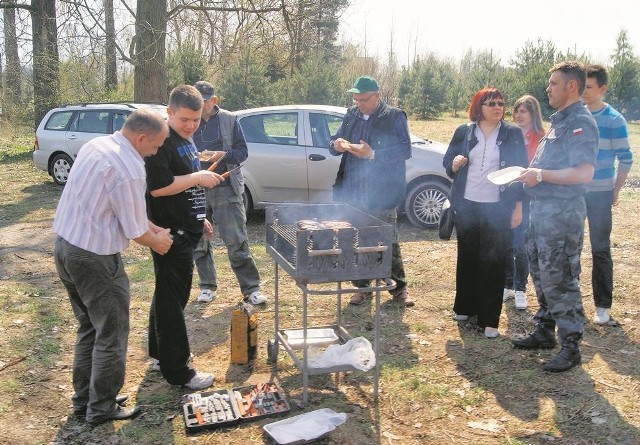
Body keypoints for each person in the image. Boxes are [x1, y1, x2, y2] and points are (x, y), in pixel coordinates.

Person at [53, 109, 173, 424]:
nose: (156, 151)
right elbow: (135, 231)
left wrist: (151, 227)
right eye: (156, 145)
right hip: (94, 258)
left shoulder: (98, 145)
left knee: (90, 327)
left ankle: (85, 400)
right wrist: (158, 241)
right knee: (112, 333)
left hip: (66, 247)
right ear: (141, 137)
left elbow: (123, 210)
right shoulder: (130, 167)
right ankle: (102, 408)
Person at [513, 61, 599, 372]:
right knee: (540, 269)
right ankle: (545, 330)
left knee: (560, 277)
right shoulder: (561, 121)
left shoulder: (581, 123)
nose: (548, 88)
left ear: (571, 87)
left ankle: (572, 345)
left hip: (562, 216)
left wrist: (541, 174)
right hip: (543, 213)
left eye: (553, 83)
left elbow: (583, 173)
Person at [145, 85, 225, 390]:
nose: (191, 125)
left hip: (186, 227)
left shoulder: (186, 141)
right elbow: (158, 187)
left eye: (195, 119)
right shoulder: (161, 143)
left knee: (168, 295)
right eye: (184, 120)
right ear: (169, 113)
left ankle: (158, 354)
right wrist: (197, 177)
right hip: (168, 234)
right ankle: (178, 370)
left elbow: (185, 188)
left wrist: (199, 216)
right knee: (172, 300)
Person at [443, 87, 528, 339]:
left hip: (497, 207)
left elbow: (520, 173)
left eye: (501, 103)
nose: (498, 107)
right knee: (467, 257)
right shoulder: (464, 132)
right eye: (491, 103)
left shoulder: (512, 133)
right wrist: (455, 164)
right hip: (467, 205)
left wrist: (518, 207)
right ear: (478, 107)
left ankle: (489, 318)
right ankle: (465, 307)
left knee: (493, 261)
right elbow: (448, 164)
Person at [329, 75, 414, 307]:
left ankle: (399, 288)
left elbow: (405, 150)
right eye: (356, 99)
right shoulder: (351, 114)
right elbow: (335, 139)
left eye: (364, 99)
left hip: (382, 191)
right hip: (354, 189)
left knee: (389, 239)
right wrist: (336, 145)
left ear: (377, 95)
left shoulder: (394, 116)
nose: (359, 104)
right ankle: (362, 287)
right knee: (357, 239)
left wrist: (373, 154)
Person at [191, 80, 267, 305]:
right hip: (196, 188)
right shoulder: (189, 120)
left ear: (213, 100)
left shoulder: (229, 120)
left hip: (226, 188)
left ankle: (251, 287)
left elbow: (242, 152)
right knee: (199, 240)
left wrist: (220, 156)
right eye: (196, 100)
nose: (199, 105)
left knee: (236, 240)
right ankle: (207, 286)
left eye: (203, 101)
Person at [581, 64, 634, 325]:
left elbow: (626, 159)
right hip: (574, 192)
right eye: (582, 86)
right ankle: (571, 305)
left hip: (600, 193)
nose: (584, 92)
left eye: (589, 87)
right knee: (570, 247)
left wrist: (615, 190)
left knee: (600, 249)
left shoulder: (614, 120)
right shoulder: (576, 115)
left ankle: (602, 306)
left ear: (602, 89)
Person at [503, 95, 546, 310]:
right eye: (516, 111)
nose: (519, 115)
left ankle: (520, 289)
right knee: (506, 243)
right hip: (506, 194)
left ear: (533, 114)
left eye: (524, 111)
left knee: (520, 244)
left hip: (528, 196)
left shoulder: (541, 138)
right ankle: (508, 285)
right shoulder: (508, 134)